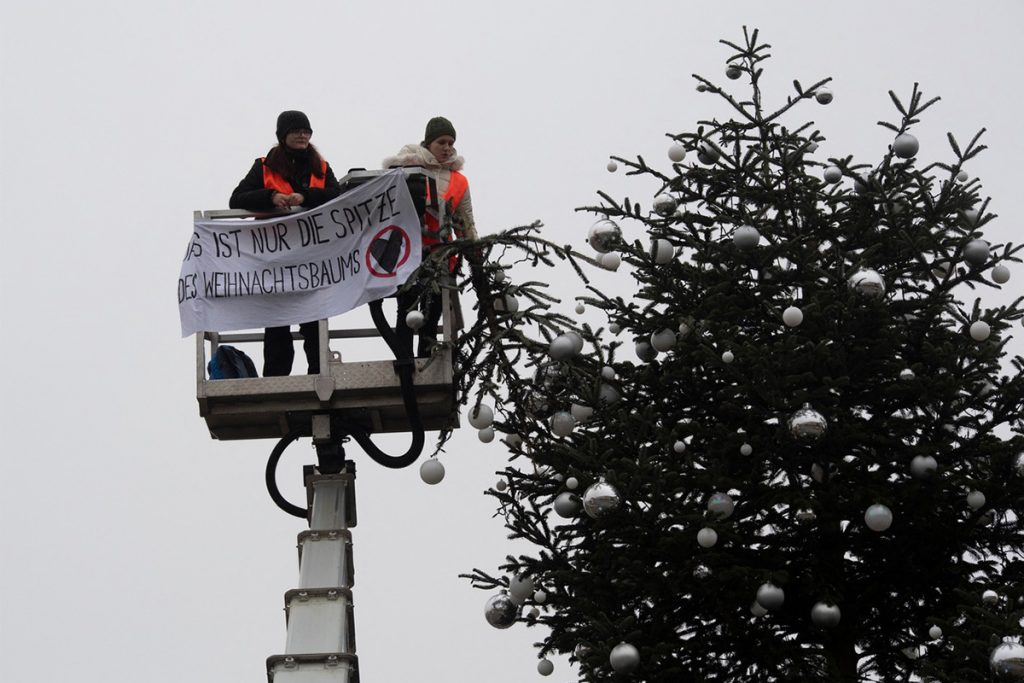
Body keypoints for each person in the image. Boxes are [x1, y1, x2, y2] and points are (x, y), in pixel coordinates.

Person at [229, 110, 342, 376]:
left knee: (314, 323)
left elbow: (337, 197)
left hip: (310, 259)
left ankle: (319, 375)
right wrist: (271, 197)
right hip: (275, 260)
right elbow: (237, 199)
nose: (303, 135)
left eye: (306, 131)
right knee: (277, 324)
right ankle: (276, 379)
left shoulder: (322, 167)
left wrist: (306, 197)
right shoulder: (264, 166)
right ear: (283, 135)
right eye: (296, 131)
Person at [382, 116, 478, 356]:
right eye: (441, 142)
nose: (447, 148)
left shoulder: (459, 180)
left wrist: (475, 251)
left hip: (442, 256)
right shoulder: (405, 169)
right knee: (406, 307)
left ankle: (427, 359)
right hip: (408, 253)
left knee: (434, 310)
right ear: (428, 143)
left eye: (450, 143)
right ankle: (403, 361)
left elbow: (465, 220)